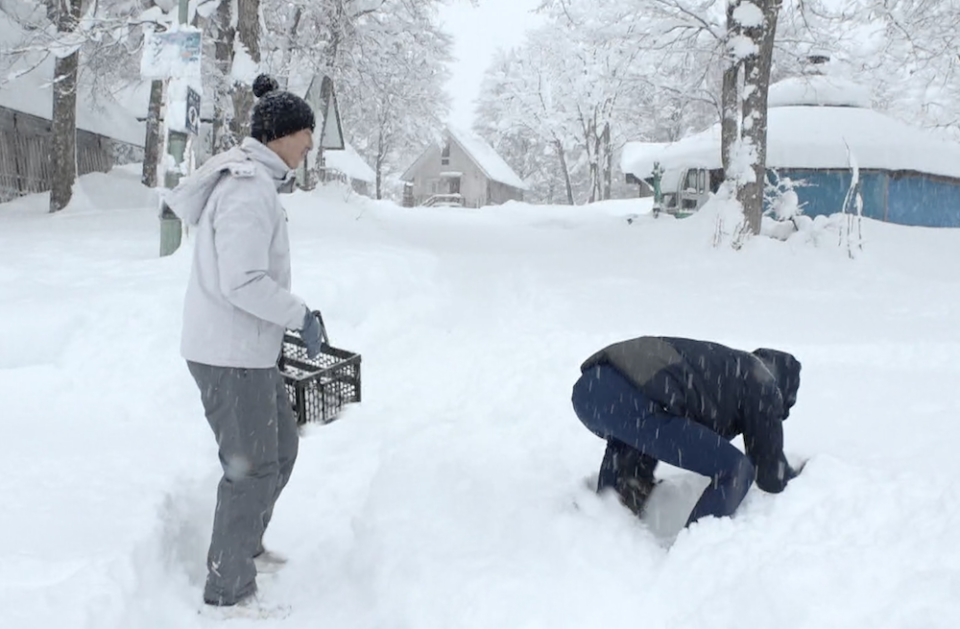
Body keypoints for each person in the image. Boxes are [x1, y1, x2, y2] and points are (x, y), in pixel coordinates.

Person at [164, 73, 326, 609]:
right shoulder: (246, 188)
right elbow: (242, 280)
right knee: (252, 465)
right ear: (283, 133)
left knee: (280, 448)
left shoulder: (258, 183)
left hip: (247, 350)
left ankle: (243, 546)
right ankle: (228, 586)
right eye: (307, 132)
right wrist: (298, 312)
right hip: (228, 353)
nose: (310, 144)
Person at [571, 336, 804, 527]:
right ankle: (694, 552)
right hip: (633, 400)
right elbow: (770, 474)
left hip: (592, 390)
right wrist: (804, 479)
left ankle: (601, 525)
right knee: (735, 470)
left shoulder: (725, 367)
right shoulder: (763, 381)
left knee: (637, 449)